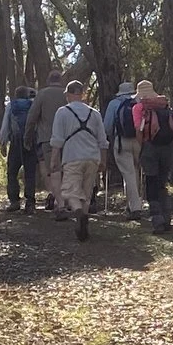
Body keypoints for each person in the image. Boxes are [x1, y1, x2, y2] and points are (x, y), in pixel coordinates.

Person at [50, 78, 108, 241]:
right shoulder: (94, 113)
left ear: (67, 95)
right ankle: (84, 226)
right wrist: (103, 160)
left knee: (69, 191)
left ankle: (78, 213)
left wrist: (54, 160)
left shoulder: (62, 112)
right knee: (87, 192)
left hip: (72, 156)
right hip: (92, 157)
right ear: (83, 94)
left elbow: (57, 139)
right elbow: (102, 140)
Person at [131, 78, 173, 233]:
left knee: (151, 182)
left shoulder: (139, 108)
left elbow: (139, 130)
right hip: (167, 149)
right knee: (162, 183)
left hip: (150, 148)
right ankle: (167, 218)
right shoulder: (166, 106)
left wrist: (141, 147)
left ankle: (157, 219)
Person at [104, 80, 145, 220]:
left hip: (121, 141)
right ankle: (133, 204)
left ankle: (134, 207)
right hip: (139, 141)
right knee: (136, 172)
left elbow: (107, 127)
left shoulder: (114, 104)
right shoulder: (140, 102)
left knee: (128, 174)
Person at [0, 80, 39, 211]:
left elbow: (5, 125)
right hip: (30, 141)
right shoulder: (33, 105)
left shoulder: (11, 106)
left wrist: (3, 142)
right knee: (30, 172)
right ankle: (30, 202)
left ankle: (14, 201)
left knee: (12, 172)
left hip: (15, 142)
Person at [31, 68, 67, 215]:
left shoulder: (42, 94)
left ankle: (60, 202)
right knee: (68, 170)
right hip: (69, 138)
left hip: (47, 139)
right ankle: (69, 200)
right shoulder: (68, 94)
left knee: (54, 170)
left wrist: (28, 137)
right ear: (61, 80)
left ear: (48, 80)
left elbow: (32, 117)